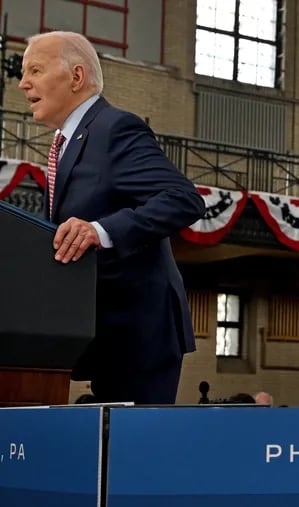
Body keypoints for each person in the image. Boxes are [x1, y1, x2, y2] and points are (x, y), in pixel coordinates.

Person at [19, 31, 205, 404]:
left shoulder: (115, 128)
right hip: (104, 332)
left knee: (135, 456)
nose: (24, 83)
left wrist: (101, 231)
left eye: (35, 70)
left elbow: (184, 199)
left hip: (140, 332)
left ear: (76, 76)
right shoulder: (66, 143)